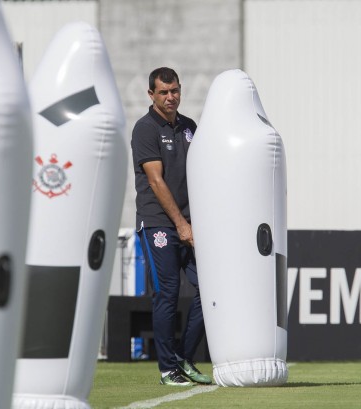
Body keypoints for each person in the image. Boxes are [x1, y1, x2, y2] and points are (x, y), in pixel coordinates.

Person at [130, 67, 211, 386]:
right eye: (163, 92)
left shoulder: (189, 127)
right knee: (168, 293)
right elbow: (155, 179)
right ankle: (167, 369)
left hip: (191, 223)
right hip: (159, 224)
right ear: (151, 94)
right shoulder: (145, 129)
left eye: (174, 90)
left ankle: (184, 357)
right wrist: (180, 224)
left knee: (211, 289)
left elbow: (203, 174)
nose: (170, 97)